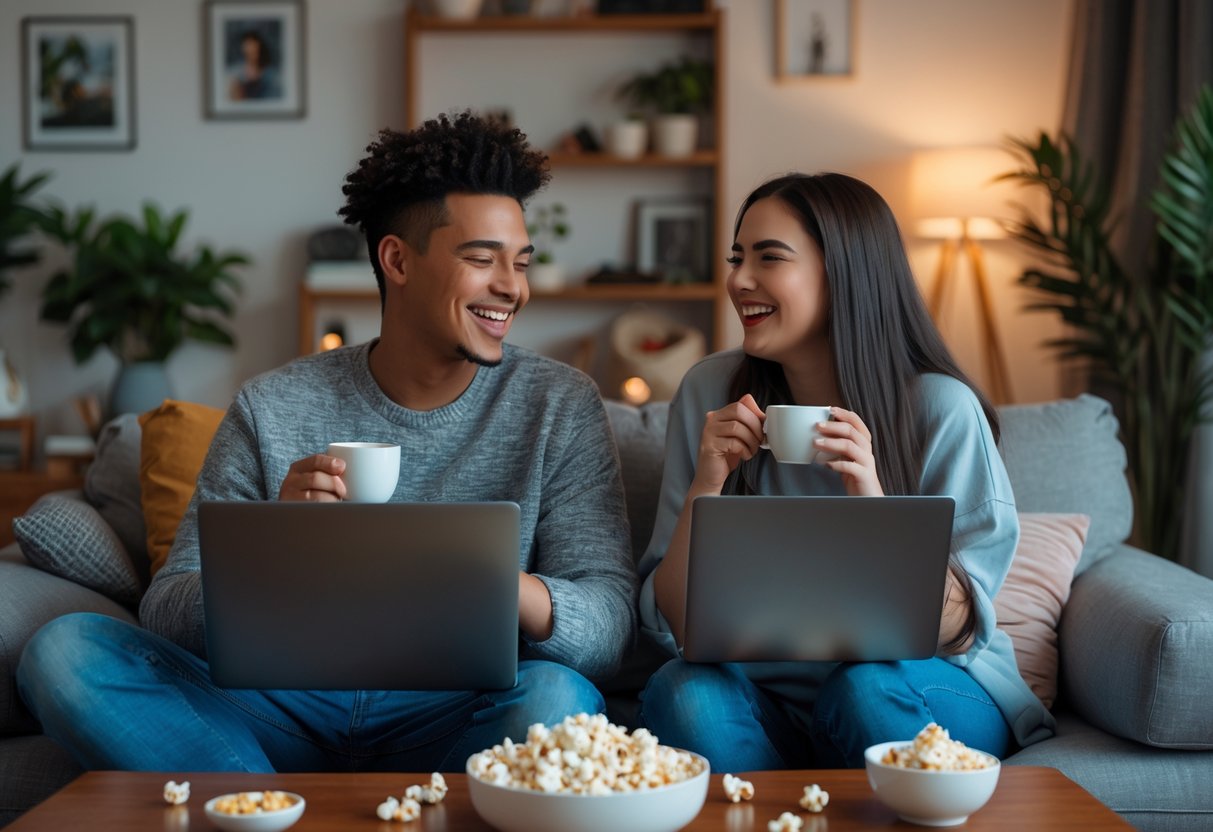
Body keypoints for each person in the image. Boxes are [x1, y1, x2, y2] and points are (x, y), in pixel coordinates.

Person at [17, 112, 637, 773]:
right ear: (396, 259)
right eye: (481, 260)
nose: (511, 288)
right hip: (274, 706)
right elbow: (168, 608)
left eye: (519, 263)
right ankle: (258, 806)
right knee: (63, 651)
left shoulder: (558, 405)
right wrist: (276, 549)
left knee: (559, 695)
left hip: (458, 713)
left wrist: (497, 583)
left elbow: (608, 625)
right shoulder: (273, 406)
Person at [635, 172, 1054, 771]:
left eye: (769, 258)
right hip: (765, 698)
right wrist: (709, 482)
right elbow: (674, 620)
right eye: (737, 258)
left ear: (845, 273)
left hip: (918, 685)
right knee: (683, 689)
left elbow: (959, 627)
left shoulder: (939, 409)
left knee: (862, 688)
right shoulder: (710, 391)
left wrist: (872, 505)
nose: (738, 280)